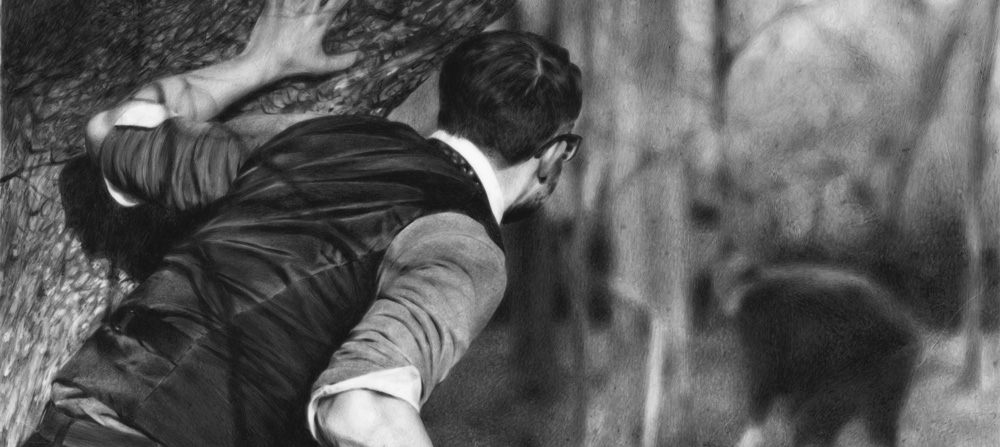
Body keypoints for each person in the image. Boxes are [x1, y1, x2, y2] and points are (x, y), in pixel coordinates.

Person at [22, 0, 584, 446]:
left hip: (73, 418)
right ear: (556, 154)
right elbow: (360, 412)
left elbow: (113, 131)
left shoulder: (315, 135)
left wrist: (259, 63)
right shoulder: (465, 246)